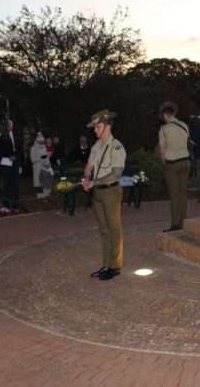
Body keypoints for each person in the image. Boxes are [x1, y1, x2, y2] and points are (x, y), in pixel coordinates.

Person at [81, 110, 126, 281]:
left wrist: (94, 182)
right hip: (98, 193)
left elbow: (116, 174)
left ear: (107, 126)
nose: (95, 130)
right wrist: (86, 179)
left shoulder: (117, 147)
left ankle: (115, 267)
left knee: (114, 229)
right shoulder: (96, 146)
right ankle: (106, 264)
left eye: (98, 127)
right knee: (104, 230)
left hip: (111, 192)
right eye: (94, 127)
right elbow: (89, 166)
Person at [158, 101, 190, 232]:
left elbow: (162, 150)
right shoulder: (184, 125)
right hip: (185, 162)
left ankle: (175, 224)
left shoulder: (164, 129)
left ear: (165, 115)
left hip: (172, 164)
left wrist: (163, 163)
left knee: (174, 195)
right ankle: (183, 222)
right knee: (183, 194)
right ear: (174, 113)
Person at [0, 119, 20, 212]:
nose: (10, 126)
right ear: (6, 126)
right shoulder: (2, 136)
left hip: (15, 163)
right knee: (6, 184)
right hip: (6, 163)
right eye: (9, 125)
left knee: (15, 184)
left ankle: (15, 205)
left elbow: (19, 149)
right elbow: (0, 150)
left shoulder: (16, 136)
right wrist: (8, 156)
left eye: (12, 124)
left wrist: (16, 157)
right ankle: (6, 205)